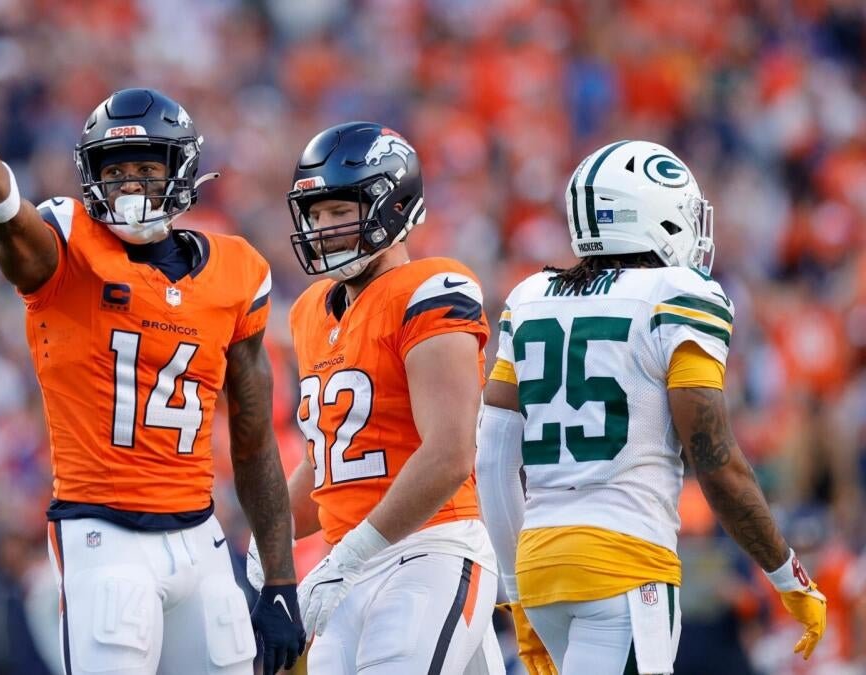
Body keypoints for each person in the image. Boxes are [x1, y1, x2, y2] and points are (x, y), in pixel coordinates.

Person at [0, 63, 304, 675]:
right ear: (91, 177)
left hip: (200, 535)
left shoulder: (237, 272)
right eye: (115, 172)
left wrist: (280, 579)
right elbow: (6, 218)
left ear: (181, 169)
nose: (130, 185)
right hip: (104, 536)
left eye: (146, 170)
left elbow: (254, 442)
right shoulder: (68, 248)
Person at [476, 140, 827, 674]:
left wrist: (517, 594)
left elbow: (493, 461)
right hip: (626, 568)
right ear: (652, 215)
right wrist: (788, 575)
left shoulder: (530, 298)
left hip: (542, 567)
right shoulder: (677, 293)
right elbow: (716, 462)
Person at [249, 122, 503, 674]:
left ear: (395, 205)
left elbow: (450, 454)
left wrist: (350, 556)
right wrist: (268, 541)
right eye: (316, 214)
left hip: (429, 550)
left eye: (340, 211)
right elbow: (331, 462)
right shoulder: (310, 310)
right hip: (348, 568)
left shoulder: (432, 288)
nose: (324, 228)